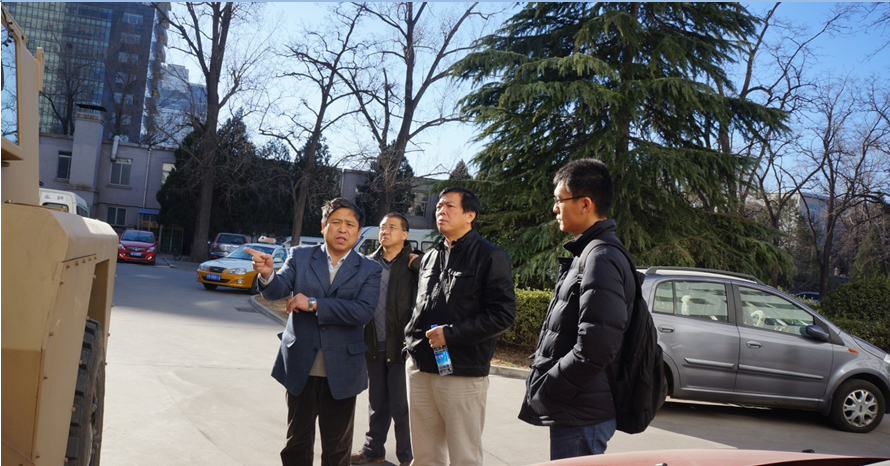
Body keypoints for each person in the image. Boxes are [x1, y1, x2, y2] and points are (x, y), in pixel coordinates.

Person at [248, 198, 381, 466]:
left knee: (337, 448)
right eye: (336, 222)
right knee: (297, 443)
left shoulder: (370, 269)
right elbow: (277, 290)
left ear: (358, 232)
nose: (342, 229)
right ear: (323, 226)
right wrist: (267, 275)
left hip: (342, 369)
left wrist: (313, 304)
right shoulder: (301, 256)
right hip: (300, 365)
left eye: (350, 224)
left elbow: (362, 312)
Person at [518, 158, 635, 459]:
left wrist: (548, 389)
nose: (554, 209)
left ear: (585, 204)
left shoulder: (600, 257)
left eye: (559, 200)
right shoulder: (590, 253)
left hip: (582, 413)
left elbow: (597, 347)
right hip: (578, 408)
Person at [403, 186, 517, 466]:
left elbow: (503, 314)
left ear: (470, 215)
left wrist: (450, 334)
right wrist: (409, 345)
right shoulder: (430, 256)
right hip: (420, 367)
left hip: (462, 371)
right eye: (438, 206)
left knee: (464, 456)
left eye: (449, 206)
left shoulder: (490, 256)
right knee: (425, 456)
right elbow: (420, 307)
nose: (440, 211)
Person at [351, 213, 422, 466]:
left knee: (402, 408)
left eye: (392, 227)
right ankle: (373, 450)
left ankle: (407, 458)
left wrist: (419, 266)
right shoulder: (368, 263)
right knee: (377, 403)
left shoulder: (415, 264)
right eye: (382, 227)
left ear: (405, 234)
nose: (385, 231)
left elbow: (433, 291)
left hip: (402, 348)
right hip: (373, 345)